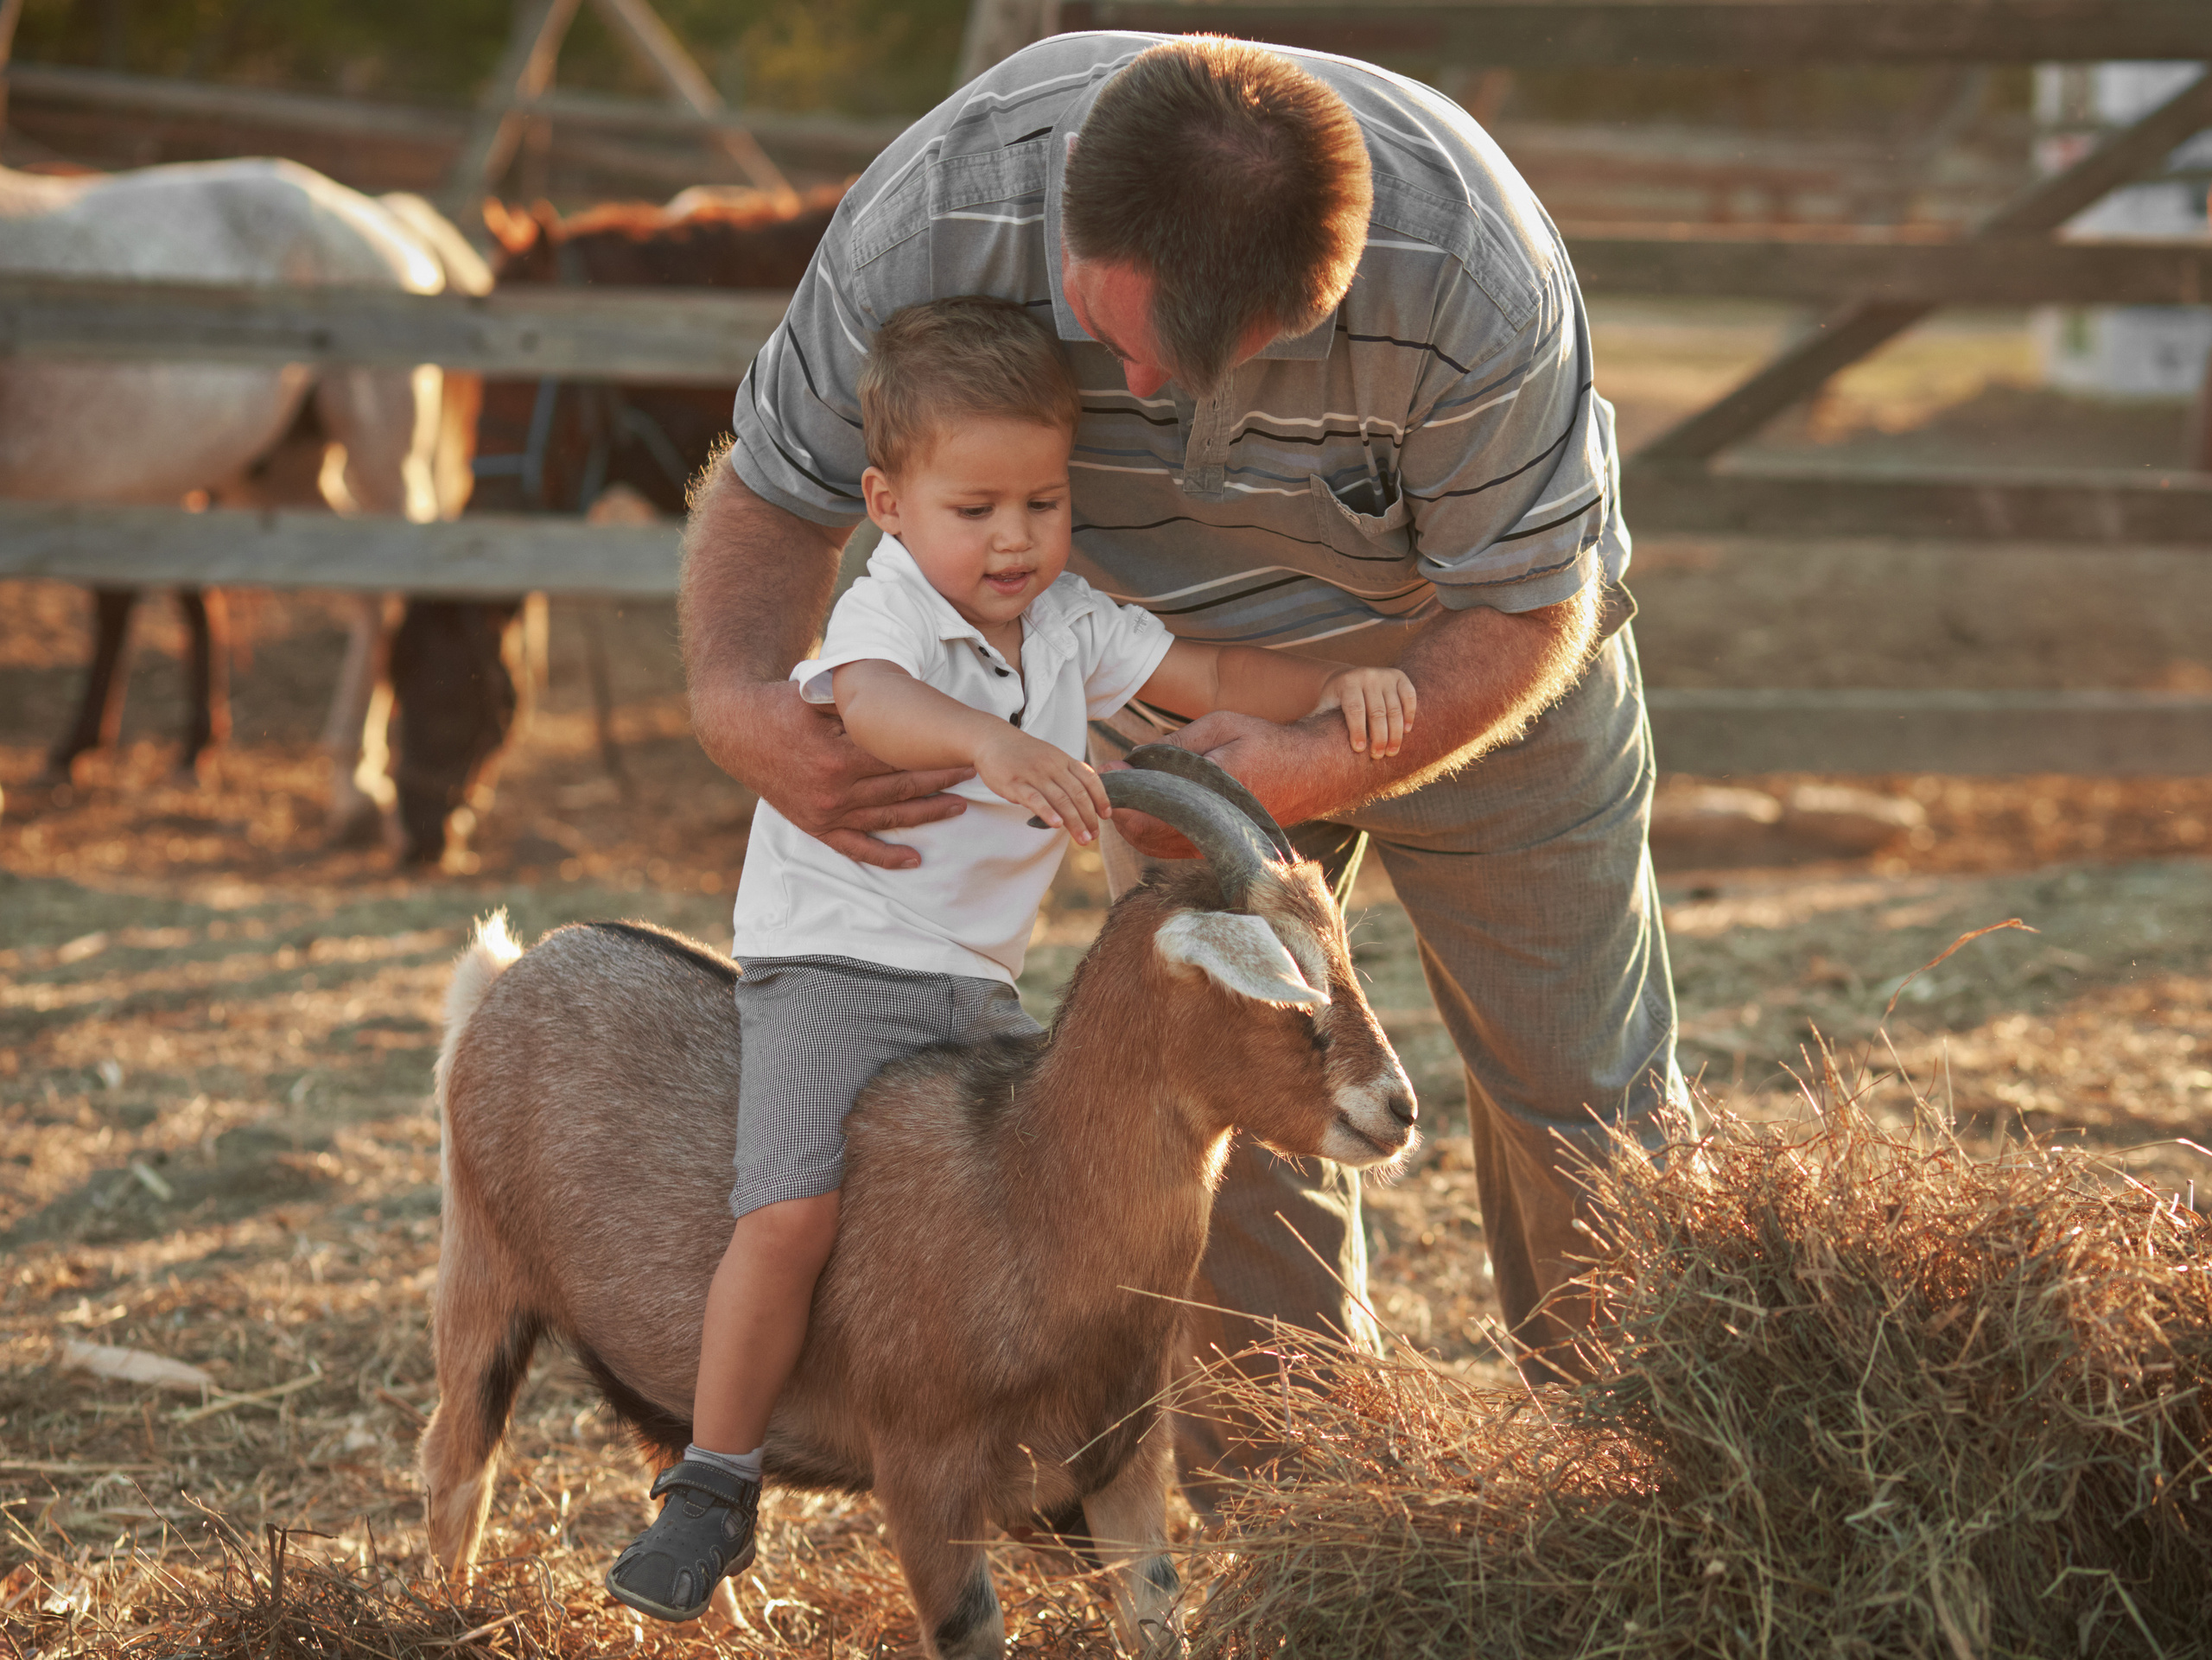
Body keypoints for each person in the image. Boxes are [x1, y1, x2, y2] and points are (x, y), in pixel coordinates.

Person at [684, 30, 1686, 1486]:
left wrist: (1312, 762)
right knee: (1227, 1105)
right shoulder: (938, 214)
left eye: (1201, 364)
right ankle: (1310, 1517)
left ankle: (1644, 1489)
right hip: (1156, 689)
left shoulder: (1477, 276)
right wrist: (733, 703)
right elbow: (776, 499)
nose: (1138, 385)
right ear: (1072, 226)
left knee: (1576, 1082)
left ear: (1319, 298)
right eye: (1116, 333)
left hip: (1463, 669)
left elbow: (1532, 603)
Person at [606, 294, 1415, 1622]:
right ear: (889, 502)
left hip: (971, 988)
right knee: (792, 1208)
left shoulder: (1071, 625)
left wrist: (1338, 687)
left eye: (1041, 504)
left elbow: (1208, 667)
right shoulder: (892, 616)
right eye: (974, 508)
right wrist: (993, 745)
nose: (1012, 539)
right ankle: (713, 1476)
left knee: (1034, 1201)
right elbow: (867, 701)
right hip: (831, 968)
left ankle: (1033, 1452)